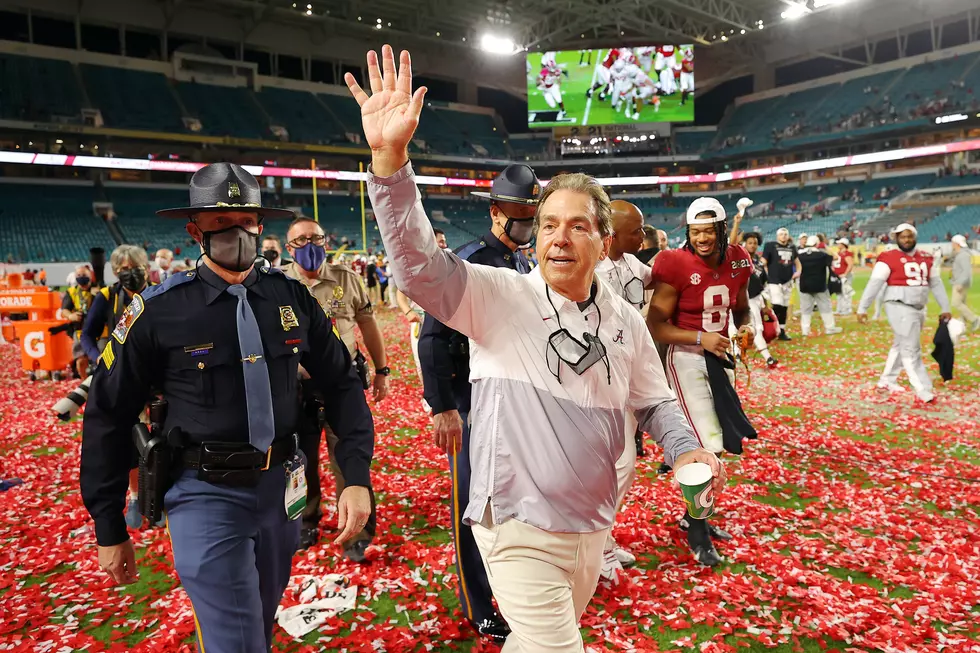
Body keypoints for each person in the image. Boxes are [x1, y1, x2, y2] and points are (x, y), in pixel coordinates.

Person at [346, 45, 722, 653]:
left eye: (577, 225)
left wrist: (683, 450)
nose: (557, 238)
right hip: (515, 522)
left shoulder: (624, 319)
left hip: (593, 522)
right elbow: (417, 270)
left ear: (605, 239)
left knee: (532, 642)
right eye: (548, 224)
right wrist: (390, 162)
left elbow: (655, 403)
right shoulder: (499, 295)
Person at [80, 162, 375, 653]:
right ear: (195, 230)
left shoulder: (291, 296)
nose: (236, 231)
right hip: (204, 492)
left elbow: (342, 382)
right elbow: (108, 413)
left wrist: (357, 474)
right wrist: (109, 524)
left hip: (281, 489)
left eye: (246, 220)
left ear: (260, 225)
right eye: (220, 222)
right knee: (237, 637)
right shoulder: (156, 311)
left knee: (256, 619)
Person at [418, 163, 538, 642]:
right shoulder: (468, 262)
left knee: (515, 502)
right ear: (495, 212)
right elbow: (432, 336)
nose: (526, 219)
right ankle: (479, 603)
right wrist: (443, 406)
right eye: (517, 211)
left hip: (518, 403)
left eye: (531, 210)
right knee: (472, 505)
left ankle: (512, 588)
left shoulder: (526, 263)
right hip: (472, 403)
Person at [647, 197, 757, 567]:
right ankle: (697, 529)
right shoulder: (675, 263)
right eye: (696, 232)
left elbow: (740, 304)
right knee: (706, 442)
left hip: (719, 356)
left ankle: (693, 515)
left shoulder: (738, 258)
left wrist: (745, 327)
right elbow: (656, 324)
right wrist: (699, 338)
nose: (703, 238)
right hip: (686, 357)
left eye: (709, 231)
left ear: (723, 230)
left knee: (721, 439)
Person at [281, 216, 389, 560]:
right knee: (302, 461)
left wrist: (382, 368)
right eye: (300, 241)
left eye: (315, 238)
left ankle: (358, 529)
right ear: (288, 248)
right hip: (295, 389)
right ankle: (306, 520)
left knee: (350, 459)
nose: (309, 246)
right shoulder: (277, 283)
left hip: (341, 386)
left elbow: (367, 324)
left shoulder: (347, 278)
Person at [593, 199, 655, 579]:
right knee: (618, 465)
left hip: (631, 377)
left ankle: (602, 539)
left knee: (622, 466)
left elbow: (659, 278)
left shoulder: (633, 264)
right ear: (613, 234)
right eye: (637, 231)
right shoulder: (590, 267)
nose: (644, 236)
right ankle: (593, 544)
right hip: (601, 382)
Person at [80, 244, 154, 530]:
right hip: (121, 378)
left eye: (133, 267)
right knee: (129, 440)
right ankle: (136, 497)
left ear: (145, 266)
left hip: (158, 378)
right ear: (114, 272)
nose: (129, 273)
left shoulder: (161, 293)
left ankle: (157, 496)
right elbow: (87, 333)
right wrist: (95, 355)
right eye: (122, 270)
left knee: (161, 438)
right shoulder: (108, 297)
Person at [856, 223, 952, 403]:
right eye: (902, 237)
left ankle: (887, 380)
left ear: (914, 237)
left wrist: (945, 306)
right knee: (911, 348)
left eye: (909, 236)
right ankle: (923, 390)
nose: (906, 240)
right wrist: (863, 307)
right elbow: (875, 283)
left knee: (901, 344)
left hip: (918, 306)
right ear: (896, 239)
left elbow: (936, 283)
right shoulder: (888, 257)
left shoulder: (926, 257)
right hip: (898, 305)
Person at [740, 232, 777, 368]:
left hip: (754, 300)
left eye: (755, 243)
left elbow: (762, 286)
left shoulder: (759, 263)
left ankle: (767, 357)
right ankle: (738, 353)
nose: (753, 245)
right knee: (735, 328)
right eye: (750, 242)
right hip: (737, 300)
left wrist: (765, 305)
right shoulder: (737, 259)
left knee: (756, 328)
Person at [797, 236, 842, 337]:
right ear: (817, 244)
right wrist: (826, 247)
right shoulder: (821, 255)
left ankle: (805, 330)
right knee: (825, 306)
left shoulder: (800, 255)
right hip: (819, 284)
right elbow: (835, 257)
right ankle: (830, 327)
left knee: (805, 309)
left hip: (804, 284)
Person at [762, 227, 801, 340]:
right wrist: (767, 274)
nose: (784, 236)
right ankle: (773, 329)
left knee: (784, 306)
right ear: (777, 236)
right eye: (781, 234)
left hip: (787, 281)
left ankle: (781, 330)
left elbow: (797, 262)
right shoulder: (770, 245)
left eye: (785, 234)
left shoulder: (792, 247)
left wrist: (798, 272)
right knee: (777, 305)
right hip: (774, 280)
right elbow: (764, 261)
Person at [57, 264, 96, 379]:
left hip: (100, 330)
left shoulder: (99, 289)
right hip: (80, 330)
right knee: (80, 361)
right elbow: (64, 310)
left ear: (91, 275)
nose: (81, 277)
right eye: (78, 275)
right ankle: (85, 384)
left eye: (84, 274)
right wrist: (71, 316)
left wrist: (98, 295)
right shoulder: (72, 292)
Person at [950, 234, 978, 330]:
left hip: (960, 283)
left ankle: (974, 319)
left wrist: (960, 283)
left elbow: (966, 271)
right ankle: (963, 323)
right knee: (962, 303)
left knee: (956, 303)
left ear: (957, 244)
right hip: (960, 281)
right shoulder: (962, 254)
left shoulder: (963, 255)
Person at [832, 238, 855, 315]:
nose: (838, 245)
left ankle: (847, 309)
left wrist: (845, 273)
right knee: (839, 293)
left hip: (845, 277)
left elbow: (850, 264)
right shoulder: (839, 253)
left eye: (839, 243)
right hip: (839, 276)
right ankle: (840, 309)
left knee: (846, 293)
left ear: (843, 244)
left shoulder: (847, 254)